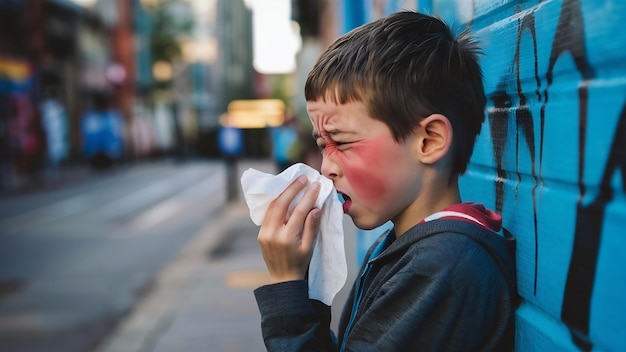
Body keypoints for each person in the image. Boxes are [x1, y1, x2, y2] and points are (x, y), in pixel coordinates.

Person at [253, 11, 517, 351]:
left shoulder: (442, 267)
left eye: (343, 143)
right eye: (322, 146)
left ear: (429, 141)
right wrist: (304, 283)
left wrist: (285, 290)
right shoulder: (405, 244)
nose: (327, 168)